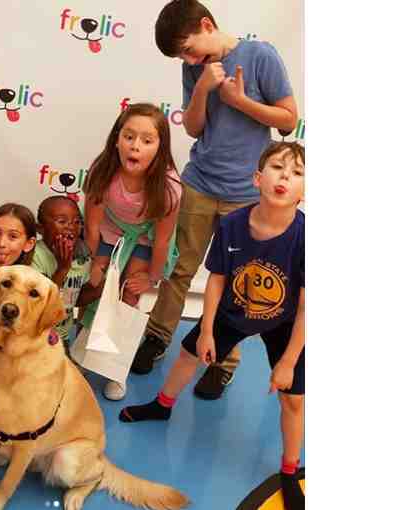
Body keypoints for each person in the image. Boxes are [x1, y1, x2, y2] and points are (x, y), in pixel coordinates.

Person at [120, 142, 305, 510]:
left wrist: (287, 361)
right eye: (277, 167)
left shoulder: (307, 237)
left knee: (294, 400)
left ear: (304, 190)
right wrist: (206, 330)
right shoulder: (233, 224)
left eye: (296, 172)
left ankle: (288, 469)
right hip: (234, 309)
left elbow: (306, 306)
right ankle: (162, 404)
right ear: (257, 178)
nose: (285, 176)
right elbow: (218, 279)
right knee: (188, 354)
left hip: (284, 320)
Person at [132, 0, 298, 402]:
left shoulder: (260, 56)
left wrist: (241, 102)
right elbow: (193, 128)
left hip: (244, 194)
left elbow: (289, 120)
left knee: (237, 283)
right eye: (182, 57)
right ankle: (157, 335)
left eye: (189, 50)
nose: (189, 60)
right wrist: (204, 87)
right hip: (200, 183)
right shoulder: (195, 68)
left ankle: (223, 362)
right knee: (180, 268)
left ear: (207, 25)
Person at [82, 102, 182, 400]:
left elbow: (162, 240)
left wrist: (151, 277)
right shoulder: (102, 172)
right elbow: (92, 226)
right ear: (117, 139)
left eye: (147, 140)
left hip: (143, 240)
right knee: (95, 288)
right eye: (129, 137)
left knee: (128, 297)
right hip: (109, 233)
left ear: (160, 149)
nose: (135, 146)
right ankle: (84, 353)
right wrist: (95, 263)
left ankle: (117, 370)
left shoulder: (169, 188)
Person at [31, 196, 101, 354]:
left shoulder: (82, 257)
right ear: (40, 228)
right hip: (34, 337)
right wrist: (63, 269)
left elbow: (76, 300)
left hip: (61, 338)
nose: (71, 227)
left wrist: (101, 287)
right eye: (62, 221)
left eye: (77, 222)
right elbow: (38, 304)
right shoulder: (36, 255)